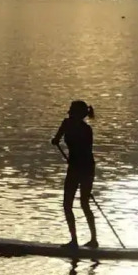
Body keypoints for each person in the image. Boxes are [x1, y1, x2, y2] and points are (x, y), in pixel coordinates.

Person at [52, 100, 98, 249]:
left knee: (81, 203)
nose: (69, 112)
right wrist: (56, 139)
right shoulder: (68, 124)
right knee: (70, 205)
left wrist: (80, 172)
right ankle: (76, 241)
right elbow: (56, 140)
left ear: (78, 114)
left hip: (83, 168)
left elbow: (84, 150)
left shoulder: (85, 129)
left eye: (72, 110)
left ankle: (91, 240)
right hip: (79, 168)